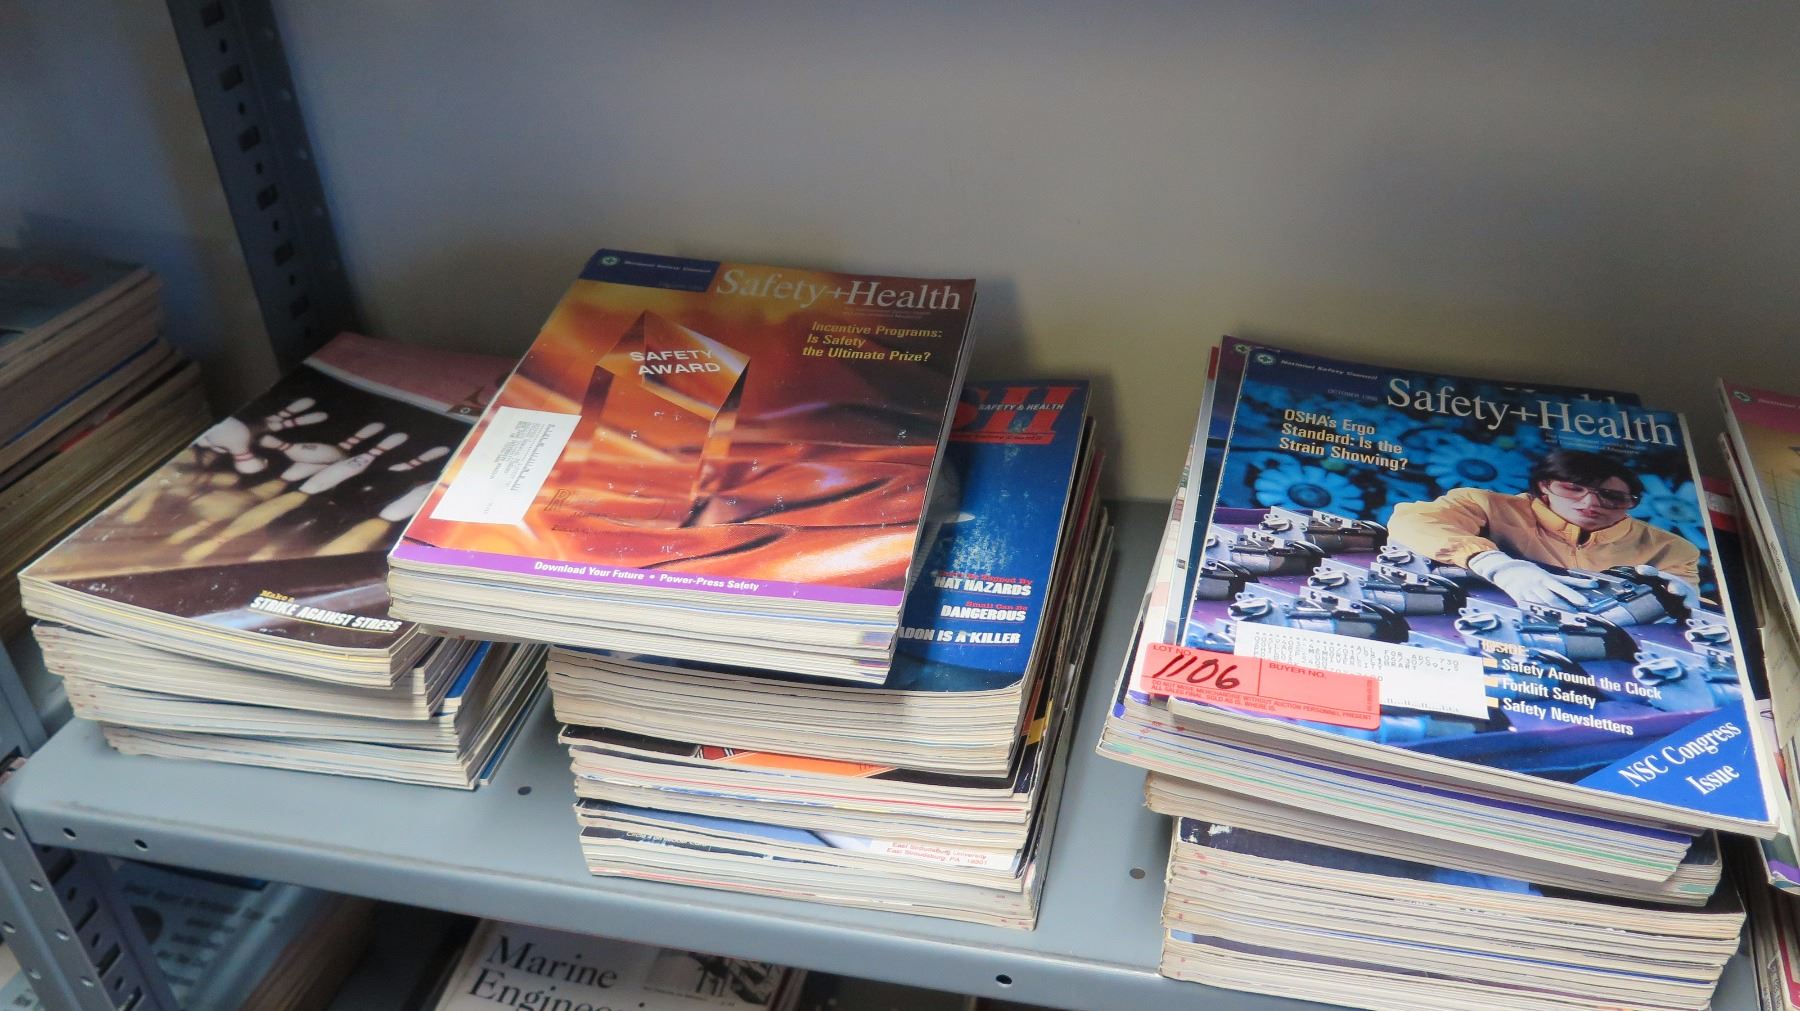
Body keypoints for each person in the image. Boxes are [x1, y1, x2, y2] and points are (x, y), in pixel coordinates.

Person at [1387, 449, 1700, 610]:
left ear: (1631, 503)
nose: (1590, 503)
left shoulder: (1672, 548)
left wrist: (1683, 601)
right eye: (1573, 488)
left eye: (1612, 497)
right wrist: (1495, 564)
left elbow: (1690, 609)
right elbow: (1412, 521)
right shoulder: (1484, 503)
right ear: (1544, 485)